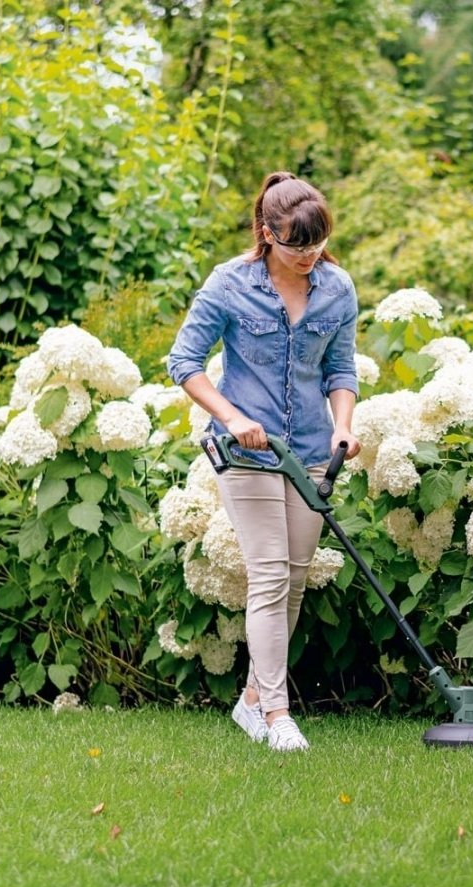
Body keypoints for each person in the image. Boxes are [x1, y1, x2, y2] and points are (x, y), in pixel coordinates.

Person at [167, 172, 361, 752]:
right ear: (266, 233)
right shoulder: (230, 284)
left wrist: (344, 426)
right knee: (271, 573)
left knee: (295, 579)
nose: (309, 256)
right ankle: (277, 714)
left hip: (308, 449)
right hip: (244, 450)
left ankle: (250, 701)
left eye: (317, 244)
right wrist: (231, 418)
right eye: (296, 245)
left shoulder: (337, 288)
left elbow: (341, 370)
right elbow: (185, 361)